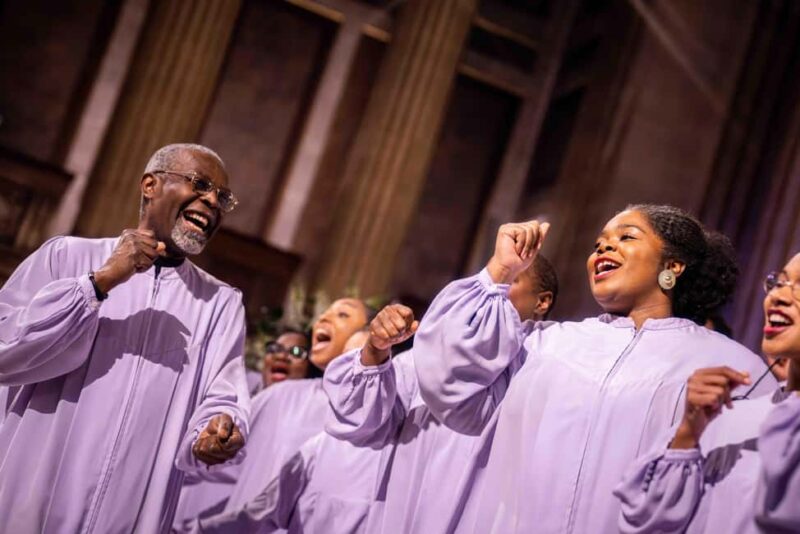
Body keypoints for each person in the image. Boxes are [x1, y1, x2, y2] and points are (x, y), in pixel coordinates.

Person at [412, 204, 775, 533]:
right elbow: (449, 381)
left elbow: (742, 493)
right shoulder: (543, 345)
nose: (604, 247)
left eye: (627, 237)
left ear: (673, 265)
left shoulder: (729, 365)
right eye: (598, 243)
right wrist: (501, 270)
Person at [0, 143, 250, 533]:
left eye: (222, 197)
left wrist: (218, 427)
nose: (212, 202)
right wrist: (98, 284)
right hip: (33, 495)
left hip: (130, 509)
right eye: (200, 184)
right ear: (150, 185)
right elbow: (6, 350)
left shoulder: (219, 303)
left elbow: (222, 394)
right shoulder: (68, 257)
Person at [323, 255, 558, 533]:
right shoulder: (427, 358)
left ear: (541, 302)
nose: (492, 287)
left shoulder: (545, 364)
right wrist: (376, 349)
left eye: (510, 278)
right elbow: (361, 424)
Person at [615, 253, 800, 533]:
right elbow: (645, 520)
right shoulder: (727, 418)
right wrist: (688, 433)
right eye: (779, 282)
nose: (778, 296)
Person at [173, 298, 372, 529]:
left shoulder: (376, 419)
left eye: (343, 315)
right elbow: (214, 461)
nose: (323, 319)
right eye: (323, 314)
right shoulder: (283, 395)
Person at [174, 328, 312, 525]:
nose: (282, 355)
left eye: (297, 352)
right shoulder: (234, 394)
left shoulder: (299, 422)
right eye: (275, 348)